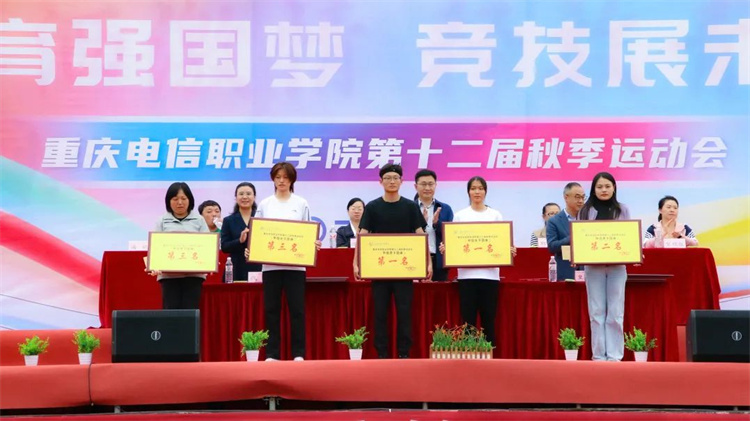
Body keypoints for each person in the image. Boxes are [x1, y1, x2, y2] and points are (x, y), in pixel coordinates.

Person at [354, 164, 431, 359]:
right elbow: (362, 236)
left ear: (401, 181)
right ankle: (382, 354)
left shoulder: (410, 206)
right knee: (380, 313)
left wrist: (428, 262)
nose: (392, 181)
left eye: (395, 178)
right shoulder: (372, 207)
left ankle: (404, 353)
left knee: (404, 313)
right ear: (380, 182)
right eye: (387, 178)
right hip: (379, 271)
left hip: (404, 271)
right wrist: (356, 262)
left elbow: (421, 235)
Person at [254, 162, 321, 361]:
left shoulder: (301, 203)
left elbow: (308, 231)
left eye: (285, 177)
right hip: (270, 266)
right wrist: (252, 245)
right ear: (273, 179)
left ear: (292, 180)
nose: (281, 181)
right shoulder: (265, 204)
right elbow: (257, 233)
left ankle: (298, 353)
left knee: (297, 310)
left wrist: (313, 243)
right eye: (278, 177)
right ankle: (272, 354)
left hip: (296, 267)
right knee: (271, 310)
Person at [438, 176, 511, 347]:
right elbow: (454, 243)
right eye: (473, 188)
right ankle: (469, 356)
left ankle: (489, 355)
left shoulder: (495, 215)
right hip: (467, 276)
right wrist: (447, 248)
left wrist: (508, 250)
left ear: (485, 191)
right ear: (468, 192)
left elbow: (502, 242)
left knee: (488, 320)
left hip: (490, 276)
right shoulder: (460, 215)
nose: (477, 192)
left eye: (480, 188)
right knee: (468, 321)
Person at [578, 172, 631, 362]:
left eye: (607, 186)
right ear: (594, 189)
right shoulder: (585, 211)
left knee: (616, 312)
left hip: (617, 267)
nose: (604, 190)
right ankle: (599, 356)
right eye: (599, 187)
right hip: (594, 267)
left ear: (614, 188)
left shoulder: (622, 210)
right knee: (597, 312)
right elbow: (580, 237)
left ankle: (615, 356)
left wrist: (633, 251)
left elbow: (628, 236)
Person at [149, 182, 209, 309]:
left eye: (183, 198)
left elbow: (207, 246)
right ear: (168, 201)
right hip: (168, 276)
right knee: (170, 313)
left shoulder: (199, 220)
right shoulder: (162, 221)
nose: (180, 203)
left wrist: (209, 262)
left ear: (190, 200)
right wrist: (155, 264)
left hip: (194, 276)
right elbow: (156, 247)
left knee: (190, 312)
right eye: (175, 199)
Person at [413, 169, 454, 281]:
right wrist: (421, 224)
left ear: (436, 185)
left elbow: (450, 237)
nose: (427, 188)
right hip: (414, 260)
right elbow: (404, 235)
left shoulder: (445, 208)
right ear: (416, 186)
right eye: (423, 184)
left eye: (430, 184)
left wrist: (436, 223)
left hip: (439, 261)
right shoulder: (409, 208)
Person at [220, 183, 262, 281]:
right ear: (236, 197)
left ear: (254, 197)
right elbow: (224, 247)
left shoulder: (261, 219)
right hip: (235, 268)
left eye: (248, 194)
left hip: (257, 267)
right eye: (241, 194)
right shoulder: (228, 220)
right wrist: (239, 241)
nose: (245, 197)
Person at [546, 183, 585, 280]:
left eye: (583, 197)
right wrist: (572, 238)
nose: (581, 201)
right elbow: (552, 247)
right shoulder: (554, 221)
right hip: (565, 273)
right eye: (577, 197)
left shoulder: (588, 218)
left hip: (588, 272)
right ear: (566, 197)